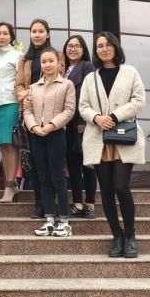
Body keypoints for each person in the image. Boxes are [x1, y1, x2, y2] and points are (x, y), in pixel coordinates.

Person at [79, 32, 146, 259]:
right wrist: (97, 117)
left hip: (123, 137)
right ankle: (117, 236)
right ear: (95, 50)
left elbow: (139, 100)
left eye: (108, 44)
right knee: (106, 190)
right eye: (99, 46)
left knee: (120, 186)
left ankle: (130, 235)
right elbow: (83, 106)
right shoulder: (91, 78)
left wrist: (115, 116)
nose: (104, 48)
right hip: (98, 138)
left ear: (116, 47)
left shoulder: (130, 72)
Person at [15, 19, 65, 218]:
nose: (37, 34)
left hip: (53, 115)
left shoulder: (57, 55)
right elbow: (18, 86)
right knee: (36, 163)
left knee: (54, 164)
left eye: (41, 31)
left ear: (48, 33)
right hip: (31, 115)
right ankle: (40, 204)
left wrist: (37, 94)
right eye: (33, 31)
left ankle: (54, 205)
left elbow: (60, 81)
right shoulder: (25, 60)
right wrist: (29, 94)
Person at [24, 48, 76, 237]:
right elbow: (27, 111)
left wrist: (51, 125)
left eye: (51, 61)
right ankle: (49, 221)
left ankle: (65, 222)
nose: (47, 64)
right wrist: (34, 127)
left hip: (56, 134)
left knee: (57, 178)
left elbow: (69, 110)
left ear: (58, 62)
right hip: (37, 135)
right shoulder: (33, 87)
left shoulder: (67, 85)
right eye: (44, 61)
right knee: (43, 178)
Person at [0, 22, 23, 202]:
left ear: (11, 37)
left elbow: (22, 81)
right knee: (2, 146)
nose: (2, 36)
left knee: (11, 145)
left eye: (5, 33)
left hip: (11, 103)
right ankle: (12, 184)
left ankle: (10, 186)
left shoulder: (18, 56)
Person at [63, 35, 97, 218]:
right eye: (70, 45)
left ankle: (90, 204)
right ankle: (77, 203)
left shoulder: (87, 67)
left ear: (83, 50)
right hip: (66, 124)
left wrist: (84, 121)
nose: (73, 49)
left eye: (77, 46)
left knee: (87, 164)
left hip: (82, 123)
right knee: (73, 164)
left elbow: (90, 94)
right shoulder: (62, 69)